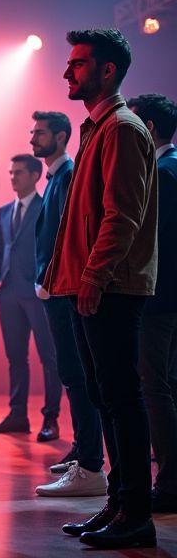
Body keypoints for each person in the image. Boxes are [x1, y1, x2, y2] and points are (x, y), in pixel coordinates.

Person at [45, 29, 158, 549]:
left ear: (107, 71)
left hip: (110, 286)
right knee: (106, 397)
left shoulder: (121, 129)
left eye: (78, 64)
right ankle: (118, 505)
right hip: (92, 286)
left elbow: (123, 215)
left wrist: (92, 276)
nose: (67, 72)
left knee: (120, 398)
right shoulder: (99, 129)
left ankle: (134, 513)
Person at [29, 111, 107, 498]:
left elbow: (67, 235)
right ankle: (83, 449)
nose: (32, 138)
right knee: (72, 373)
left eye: (40, 133)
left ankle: (90, 459)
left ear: (61, 136)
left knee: (77, 375)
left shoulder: (68, 174)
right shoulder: (57, 176)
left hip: (63, 289)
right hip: (55, 287)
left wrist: (49, 278)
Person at [0, 155, 62, 441]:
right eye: (11, 172)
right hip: (7, 294)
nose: (13, 177)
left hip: (38, 293)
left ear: (34, 175)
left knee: (49, 357)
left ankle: (50, 418)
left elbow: (55, 247)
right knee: (15, 357)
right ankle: (18, 415)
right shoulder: (4, 211)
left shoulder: (46, 207)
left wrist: (45, 283)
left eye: (18, 172)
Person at [128, 94, 177, 513]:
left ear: (151, 129)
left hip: (160, 299)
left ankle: (170, 481)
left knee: (154, 388)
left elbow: (153, 243)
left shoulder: (161, 173)